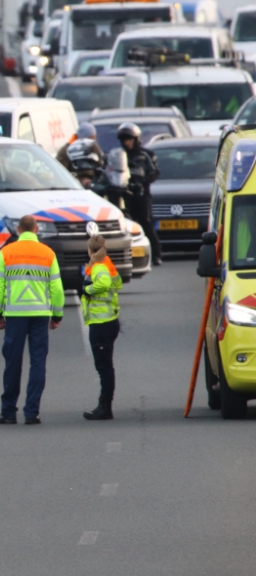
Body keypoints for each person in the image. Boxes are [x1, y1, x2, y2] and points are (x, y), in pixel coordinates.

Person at [0, 215, 65, 425]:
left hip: (15, 316)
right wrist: (57, 314)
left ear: (18, 229)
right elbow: (57, 288)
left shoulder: (6, 252)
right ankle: (32, 413)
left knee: (12, 363)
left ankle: (8, 412)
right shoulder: (48, 253)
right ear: (37, 229)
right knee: (38, 362)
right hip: (40, 315)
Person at [81, 235, 122, 421]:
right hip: (109, 320)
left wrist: (88, 289)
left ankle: (105, 407)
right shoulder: (107, 264)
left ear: (90, 250)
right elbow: (117, 283)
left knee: (104, 367)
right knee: (105, 366)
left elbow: (104, 283)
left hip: (101, 323)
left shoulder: (98, 267)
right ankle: (105, 405)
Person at [118, 122, 162, 266]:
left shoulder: (146, 154)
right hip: (125, 194)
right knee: (126, 224)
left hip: (142, 195)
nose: (127, 143)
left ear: (136, 139)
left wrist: (142, 182)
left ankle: (156, 255)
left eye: (129, 139)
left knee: (146, 222)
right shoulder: (119, 155)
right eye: (124, 140)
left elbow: (155, 172)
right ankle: (129, 256)